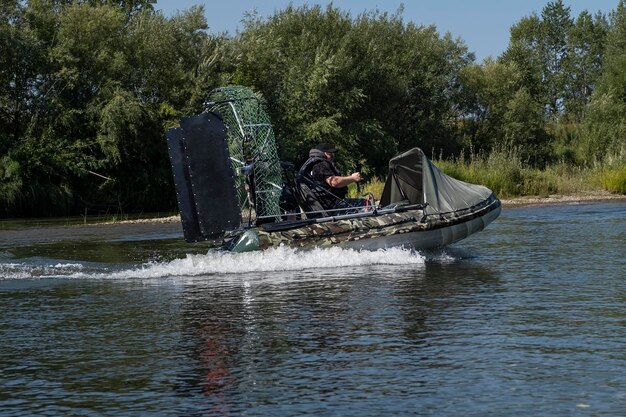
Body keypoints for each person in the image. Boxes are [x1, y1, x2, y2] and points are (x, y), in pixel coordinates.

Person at [297, 143, 363, 213]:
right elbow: (334, 182)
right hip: (334, 206)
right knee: (366, 204)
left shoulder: (312, 165)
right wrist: (353, 178)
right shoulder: (320, 164)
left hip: (326, 206)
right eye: (331, 153)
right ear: (326, 153)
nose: (332, 156)